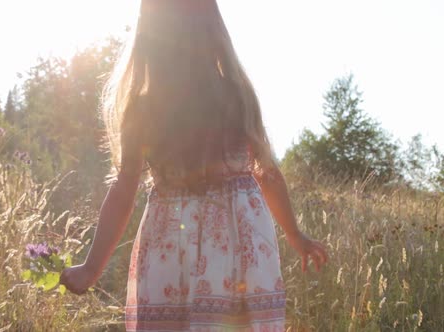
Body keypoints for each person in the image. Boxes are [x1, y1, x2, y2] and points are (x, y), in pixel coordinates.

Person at [60, 0, 328, 330]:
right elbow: (267, 172)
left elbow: (124, 190)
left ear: (148, 37)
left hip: (176, 249)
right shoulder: (233, 94)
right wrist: (294, 234)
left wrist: (91, 268)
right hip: (232, 245)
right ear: (213, 31)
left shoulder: (151, 106)